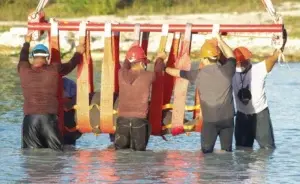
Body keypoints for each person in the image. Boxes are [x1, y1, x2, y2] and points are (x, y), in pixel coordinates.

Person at [165, 34, 236, 154]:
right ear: (217, 57)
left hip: (210, 121)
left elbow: (178, 73)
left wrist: (164, 68)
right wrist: (220, 39)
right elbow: (231, 55)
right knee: (227, 154)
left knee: (207, 154)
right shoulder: (228, 70)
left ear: (204, 59)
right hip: (228, 120)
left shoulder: (198, 74)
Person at [18, 33, 85, 150]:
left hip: (30, 119)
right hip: (49, 119)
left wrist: (27, 42)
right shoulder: (54, 69)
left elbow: (23, 57)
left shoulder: (23, 70)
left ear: (33, 56)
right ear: (47, 58)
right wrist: (78, 52)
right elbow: (71, 64)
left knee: (31, 155)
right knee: (55, 154)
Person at [233, 29, 287, 149]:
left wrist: (282, 37)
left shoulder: (259, 69)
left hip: (260, 115)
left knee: (268, 149)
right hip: (242, 116)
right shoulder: (230, 72)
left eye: (244, 61)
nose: (242, 64)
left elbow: (275, 56)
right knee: (241, 151)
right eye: (239, 62)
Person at [114, 45, 165, 151]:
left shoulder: (120, 73)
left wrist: (129, 56)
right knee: (139, 155)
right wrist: (160, 59)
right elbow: (159, 72)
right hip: (139, 121)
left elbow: (126, 64)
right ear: (142, 63)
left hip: (122, 121)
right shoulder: (149, 76)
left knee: (121, 154)